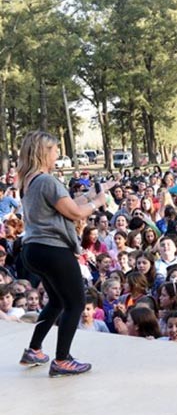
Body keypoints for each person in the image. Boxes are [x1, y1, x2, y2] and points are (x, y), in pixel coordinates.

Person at [17, 131, 113, 377]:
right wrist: (98, 202)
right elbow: (75, 213)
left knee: (58, 301)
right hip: (53, 249)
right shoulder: (47, 181)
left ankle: (34, 350)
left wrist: (91, 193)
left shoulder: (29, 181)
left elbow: (64, 204)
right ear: (43, 152)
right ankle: (62, 359)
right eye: (55, 150)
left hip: (34, 249)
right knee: (76, 303)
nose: (58, 154)